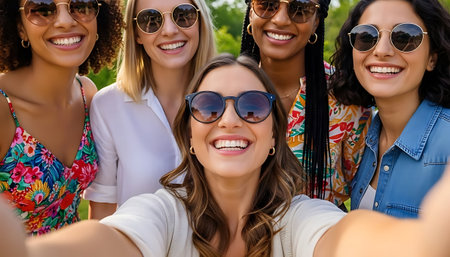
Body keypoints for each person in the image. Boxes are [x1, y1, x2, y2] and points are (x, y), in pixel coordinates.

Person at [1, 54, 450, 257]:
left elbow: (346, 239)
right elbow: (113, 241)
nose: (230, 120)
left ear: (274, 135)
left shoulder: (300, 218)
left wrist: (423, 243)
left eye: (252, 107)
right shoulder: (160, 212)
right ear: (191, 137)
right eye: (209, 106)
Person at [0, 0, 123, 235]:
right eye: (42, 9)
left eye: (81, 5)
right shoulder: (3, 108)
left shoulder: (87, 93)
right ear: (19, 27)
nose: (66, 20)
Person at [240, 0, 372, 206]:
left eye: (300, 9)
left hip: (319, 242)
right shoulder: (221, 91)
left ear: (316, 22)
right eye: (267, 3)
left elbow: (362, 197)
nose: (280, 19)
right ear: (250, 12)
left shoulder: (347, 99)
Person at [83, 0, 216, 219]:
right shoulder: (108, 105)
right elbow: (102, 211)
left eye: (183, 15)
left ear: (200, 22)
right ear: (136, 34)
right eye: (151, 20)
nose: (168, 30)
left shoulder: (229, 100)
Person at [330, 0, 450, 217]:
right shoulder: (358, 140)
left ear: (432, 58)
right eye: (367, 36)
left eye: (405, 36)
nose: (382, 50)